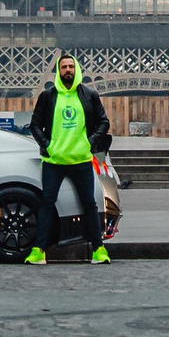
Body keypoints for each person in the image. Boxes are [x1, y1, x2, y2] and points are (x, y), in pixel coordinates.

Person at [26, 54, 111, 265]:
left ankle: (98, 249)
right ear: (58, 70)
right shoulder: (48, 96)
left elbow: (103, 122)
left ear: (77, 69)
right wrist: (48, 146)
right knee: (47, 204)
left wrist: (89, 143)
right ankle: (38, 250)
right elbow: (35, 124)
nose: (67, 70)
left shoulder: (89, 95)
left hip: (81, 159)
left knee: (89, 204)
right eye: (63, 67)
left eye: (71, 66)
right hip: (54, 161)